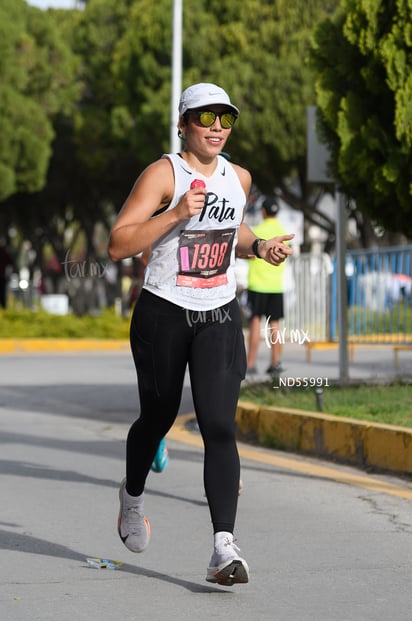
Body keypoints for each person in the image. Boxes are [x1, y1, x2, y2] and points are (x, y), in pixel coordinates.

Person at [108, 82, 293, 586]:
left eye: (225, 119)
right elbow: (118, 243)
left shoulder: (240, 177)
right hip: (164, 312)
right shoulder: (164, 173)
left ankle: (222, 547)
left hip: (218, 313)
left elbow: (235, 231)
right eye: (205, 117)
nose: (216, 127)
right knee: (158, 416)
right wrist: (175, 214)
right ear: (184, 123)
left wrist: (261, 248)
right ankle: (133, 496)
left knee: (218, 424)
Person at [246, 196, 287, 377]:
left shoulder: (258, 231)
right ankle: (275, 362)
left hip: (257, 284)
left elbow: (250, 254)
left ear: (263, 211)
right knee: (275, 325)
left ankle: (251, 363)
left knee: (255, 322)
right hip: (276, 286)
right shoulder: (282, 232)